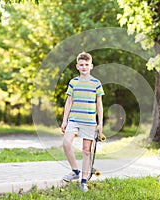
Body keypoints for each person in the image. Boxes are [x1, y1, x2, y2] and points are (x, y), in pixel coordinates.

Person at [61, 52, 104, 192]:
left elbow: (99, 105)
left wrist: (100, 124)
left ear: (91, 66)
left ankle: (84, 181)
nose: (84, 67)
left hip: (90, 121)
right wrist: (64, 120)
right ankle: (75, 171)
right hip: (74, 119)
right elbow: (69, 101)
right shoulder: (73, 82)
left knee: (86, 151)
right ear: (77, 67)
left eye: (86, 64)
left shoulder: (96, 83)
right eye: (81, 65)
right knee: (66, 143)